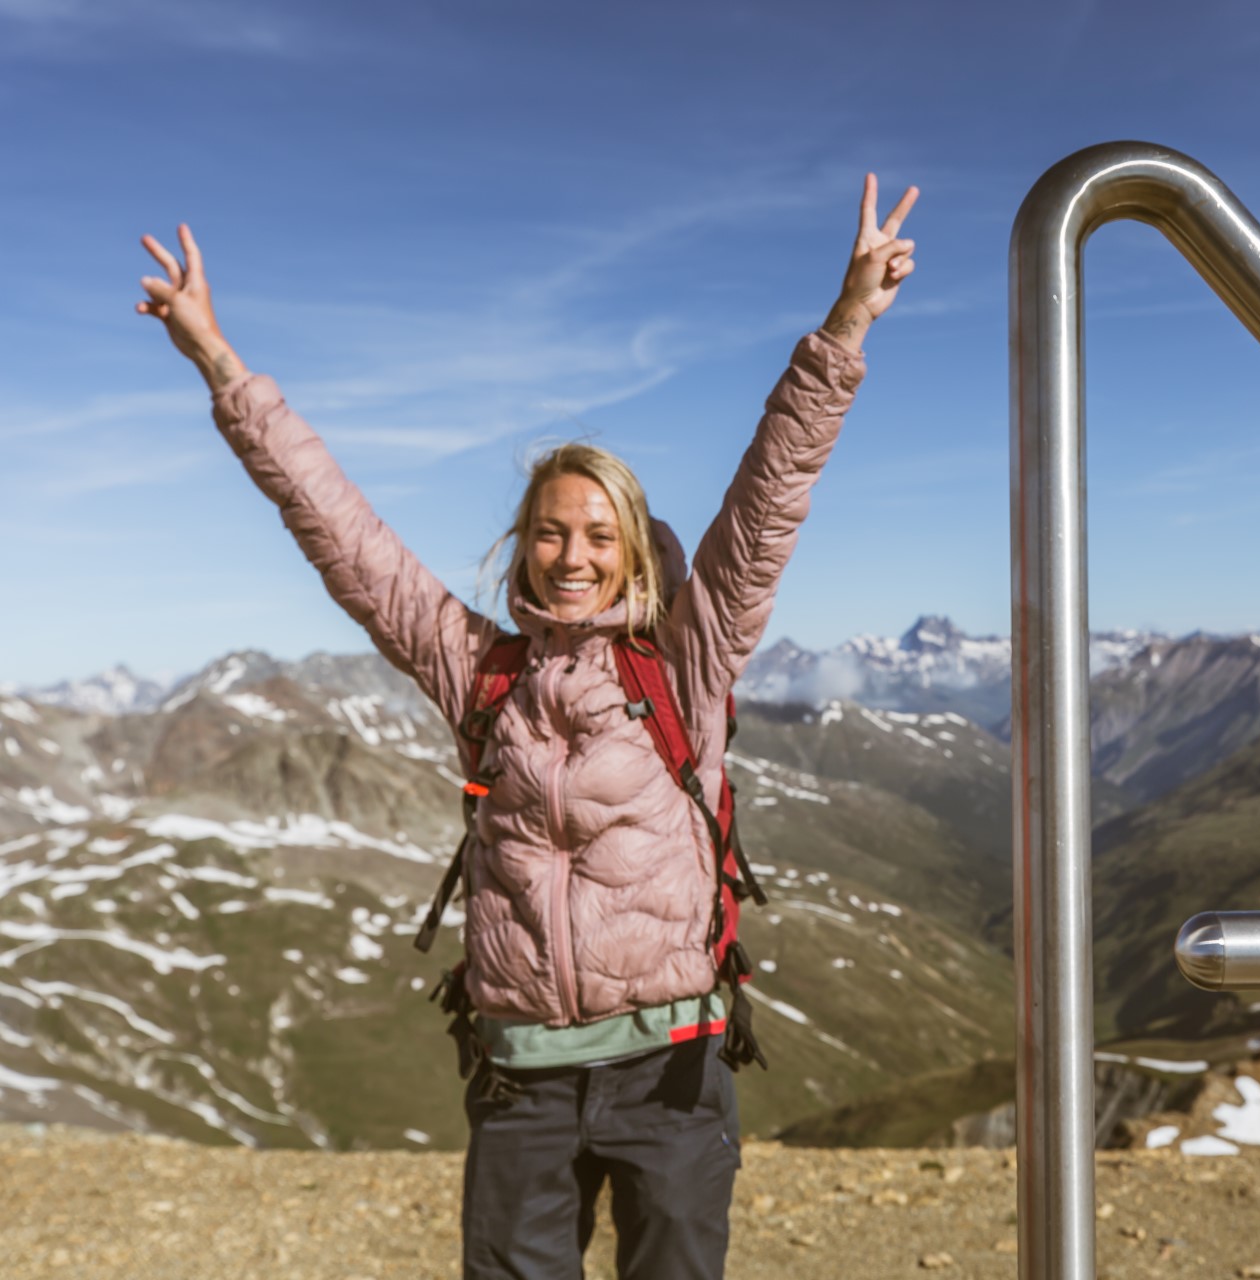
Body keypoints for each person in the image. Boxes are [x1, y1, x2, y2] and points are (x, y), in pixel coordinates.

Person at [135, 175, 918, 1280]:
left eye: (599, 531)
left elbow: (767, 496)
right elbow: (342, 534)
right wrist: (218, 360)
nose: (573, 553)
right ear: (522, 545)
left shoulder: (683, 661)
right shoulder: (478, 668)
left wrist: (844, 326)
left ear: (635, 550)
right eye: (550, 532)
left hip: (673, 1072)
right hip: (521, 1081)